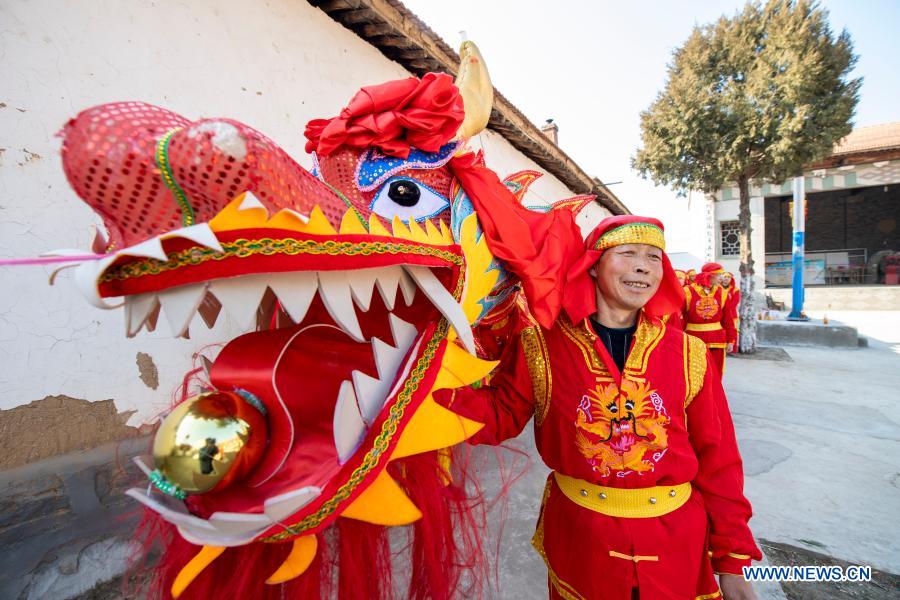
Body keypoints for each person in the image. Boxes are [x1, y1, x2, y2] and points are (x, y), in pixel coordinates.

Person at [437, 216, 760, 600]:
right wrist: (430, 392)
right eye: (628, 253)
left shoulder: (690, 353)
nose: (643, 265)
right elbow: (500, 415)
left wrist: (731, 559)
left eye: (654, 257)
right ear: (593, 265)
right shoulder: (541, 344)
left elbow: (719, 460)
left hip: (677, 543)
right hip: (581, 540)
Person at [683, 263, 736, 377]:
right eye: (718, 275)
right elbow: (679, 318)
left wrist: (731, 340)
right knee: (695, 374)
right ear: (708, 275)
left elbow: (728, 319)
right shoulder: (687, 292)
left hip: (717, 341)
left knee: (715, 373)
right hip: (693, 340)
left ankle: (714, 395)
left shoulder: (722, 293)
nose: (721, 278)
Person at [721, 271, 741, 352]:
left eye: (728, 277)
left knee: (732, 330)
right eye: (725, 277)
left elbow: (735, 302)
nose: (726, 279)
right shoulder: (717, 288)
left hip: (731, 314)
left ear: (731, 279)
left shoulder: (735, 290)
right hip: (720, 314)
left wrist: (725, 309)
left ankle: (732, 349)